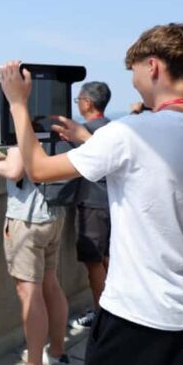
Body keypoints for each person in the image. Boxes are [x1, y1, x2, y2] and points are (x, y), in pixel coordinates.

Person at [0, 23, 183, 365]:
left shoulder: (130, 133)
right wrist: (86, 138)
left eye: (134, 72)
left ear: (153, 67)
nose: (134, 82)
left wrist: (17, 103)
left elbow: (38, 169)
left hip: (137, 321)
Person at [0, 147, 73, 365]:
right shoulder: (48, 129)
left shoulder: (23, 131)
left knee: (30, 293)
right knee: (51, 283)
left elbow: (14, 170)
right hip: (54, 213)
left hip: (28, 219)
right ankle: (58, 355)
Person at [68, 82, 112, 330]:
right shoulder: (114, 129)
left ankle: (101, 318)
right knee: (107, 261)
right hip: (113, 203)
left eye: (78, 100)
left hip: (92, 204)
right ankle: (110, 314)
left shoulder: (83, 133)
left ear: (87, 102)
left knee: (94, 263)